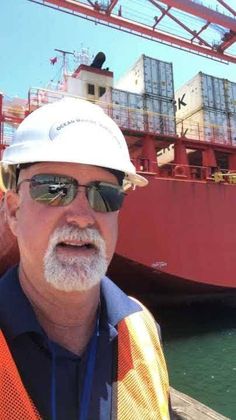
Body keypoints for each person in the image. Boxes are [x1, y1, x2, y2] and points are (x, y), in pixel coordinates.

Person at [0, 97, 171, 419]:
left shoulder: (144, 327)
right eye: (52, 189)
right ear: (13, 211)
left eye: (104, 194)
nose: (81, 216)